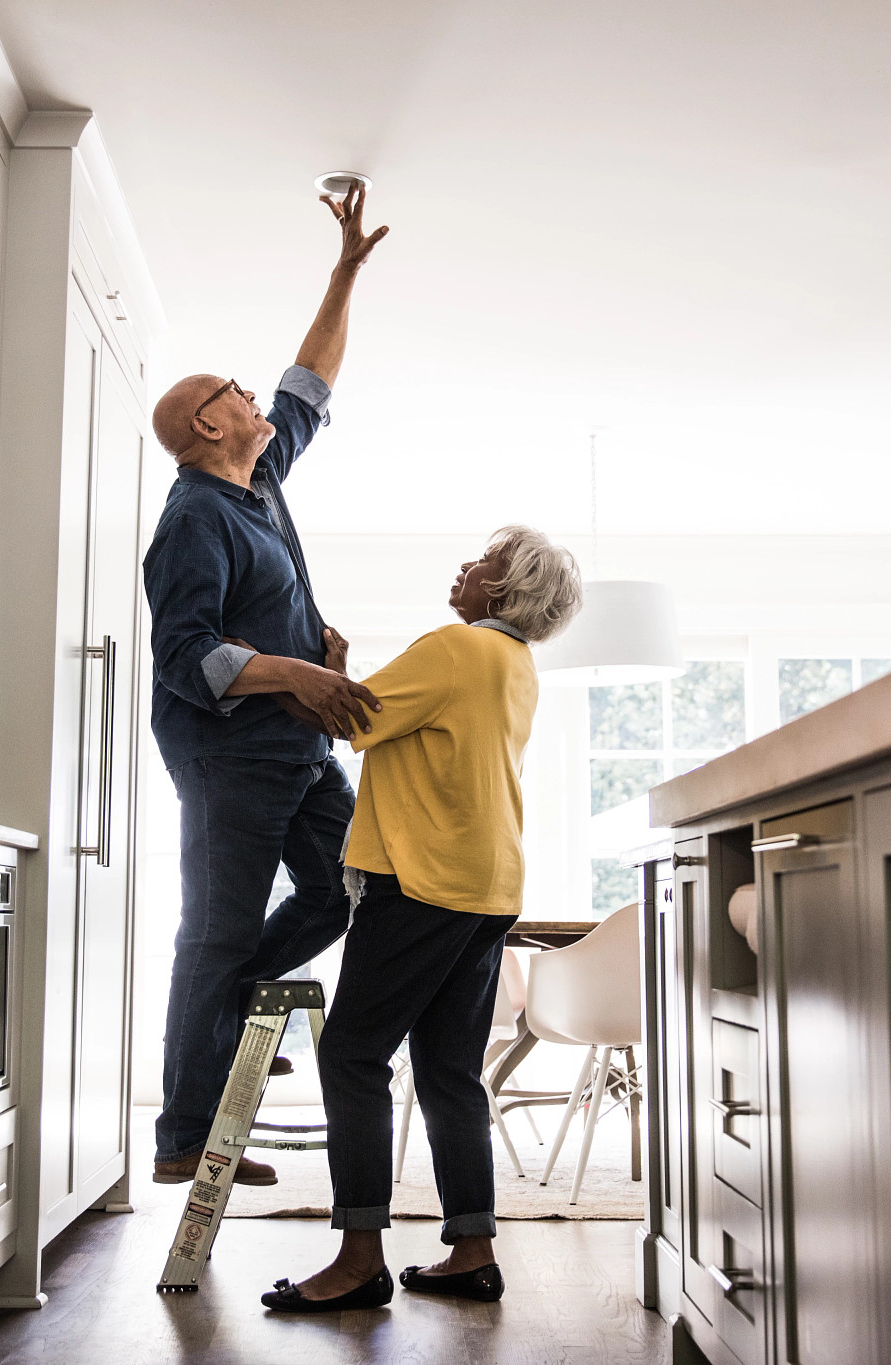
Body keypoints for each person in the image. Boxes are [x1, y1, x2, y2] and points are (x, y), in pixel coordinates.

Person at [260, 525, 584, 1313]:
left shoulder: (455, 647)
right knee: (448, 1070)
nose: (466, 567)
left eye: (484, 562)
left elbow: (353, 720)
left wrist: (279, 667)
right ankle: (472, 1251)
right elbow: (387, 721)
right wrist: (340, 675)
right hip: (488, 886)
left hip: (424, 879)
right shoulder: (516, 665)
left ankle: (359, 1256)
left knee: (352, 1055)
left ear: (504, 589)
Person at [142, 185, 389, 1187]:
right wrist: (293, 668)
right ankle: (184, 1139)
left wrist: (342, 273)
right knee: (218, 929)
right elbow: (185, 653)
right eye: (235, 392)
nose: (256, 397)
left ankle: (239, 998)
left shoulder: (262, 477)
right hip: (227, 751)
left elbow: (310, 381)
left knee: (348, 884)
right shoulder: (192, 517)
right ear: (207, 424)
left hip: (298, 745)